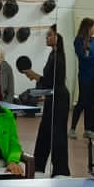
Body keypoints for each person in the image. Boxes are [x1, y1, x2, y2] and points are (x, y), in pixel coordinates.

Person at [26, 27, 70, 177]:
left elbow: (52, 82)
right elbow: (49, 82)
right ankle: (38, 167)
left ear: (58, 37)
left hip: (59, 100)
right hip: (52, 97)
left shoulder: (58, 57)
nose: (47, 37)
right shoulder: (52, 55)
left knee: (57, 135)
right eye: (47, 35)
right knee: (45, 132)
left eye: (50, 35)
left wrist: (34, 76)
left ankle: (61, 171)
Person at [68, 16, 94, 140]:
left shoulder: (93, 41)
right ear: (88, 28)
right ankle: (72, 129)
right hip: (85, 76)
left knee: (92, 103)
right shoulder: (79, 41)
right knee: (82, 101)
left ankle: (88, 129)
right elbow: (83, 57)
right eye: (93, 27)